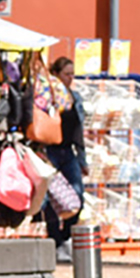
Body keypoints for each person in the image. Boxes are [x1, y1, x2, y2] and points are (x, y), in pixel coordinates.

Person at [43, 56, 88, 263]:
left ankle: (67, 235)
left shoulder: (75, 98)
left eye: (72, 74)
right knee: (52, 198)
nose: (70, 78)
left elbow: (79, 130)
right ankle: (56, 240)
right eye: (66, 74)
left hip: (68, 152)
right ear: (56, 75)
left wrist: (82, 159)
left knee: (77, 195)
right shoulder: (46, 97)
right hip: (50, 151)